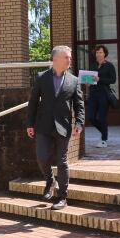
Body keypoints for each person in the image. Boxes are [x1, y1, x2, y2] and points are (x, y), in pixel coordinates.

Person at [26, 45, 84, 210]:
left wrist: (79, 123)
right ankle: (50, 180)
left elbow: (79, 105)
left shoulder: (74, 80)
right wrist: (30, 123)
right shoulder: (41, 77)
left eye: (70, 57)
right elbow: (33, 103)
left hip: (63, 127)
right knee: (42, 157)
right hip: (43, 125)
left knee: (62, 161)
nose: (69, 60)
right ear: (56, 59)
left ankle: (62, 197)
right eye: (67, 57)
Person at [88, 45, 116, 148]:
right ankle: (105, 132)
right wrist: (88, 82)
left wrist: (100, 79)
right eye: (97, 52)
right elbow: (90, 78)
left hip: (104, 94)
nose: (99, 54)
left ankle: (104, 139)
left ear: (105, 54)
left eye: (100, 52)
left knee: (102, 117)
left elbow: (113, 80)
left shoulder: (109, 66)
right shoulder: (92, 65)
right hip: (93, 93)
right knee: (91, 117)